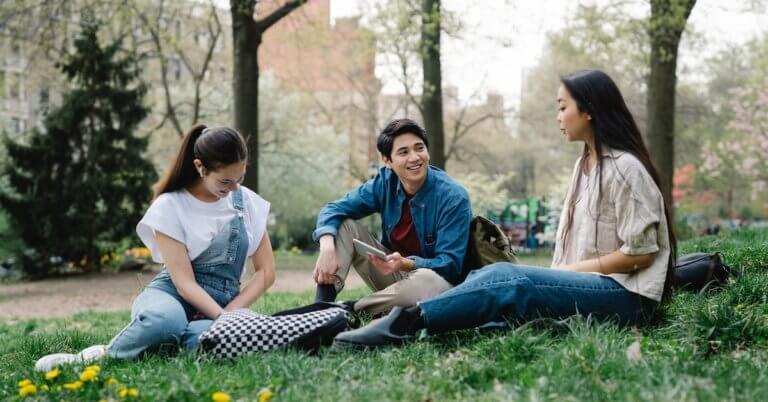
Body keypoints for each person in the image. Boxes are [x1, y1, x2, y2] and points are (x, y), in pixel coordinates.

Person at [333, 69, 677, 349]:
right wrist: (565, 274)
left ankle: (404, 323)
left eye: (562, 107)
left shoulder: (625, 168)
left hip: (626, 298)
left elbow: (641, 254)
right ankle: (381, 314)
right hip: (588, 284)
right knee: (484, 276)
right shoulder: (584, 166)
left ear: (588, 110)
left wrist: (571, 271)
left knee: (507, 277)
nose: (558, 116)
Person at [35, 124, 275, 371]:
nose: (235, 188)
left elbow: (266, 272)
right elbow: (185, 284)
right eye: (225, 180)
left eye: (241, 178)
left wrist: (230, 315)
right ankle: (101, 356)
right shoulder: (170, 206)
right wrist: (223, 318)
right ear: (199, 167)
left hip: (224, 304)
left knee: (207, 340)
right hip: (173, 295)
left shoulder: (246, 202)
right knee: (165, 322)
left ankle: (160, 345)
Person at [312, 118, 472, 316]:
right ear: (387, 161)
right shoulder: (385, 182)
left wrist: (408, 263)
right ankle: (318, 310)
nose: (415, 157)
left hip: (437, 284)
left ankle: (349, 310)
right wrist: (326, 247)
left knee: (425, 279)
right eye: (404, 152)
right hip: (394, 275)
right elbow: (333, 209)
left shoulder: (453, 197)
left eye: (419, 148)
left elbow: (451, 265)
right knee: (343, 225)